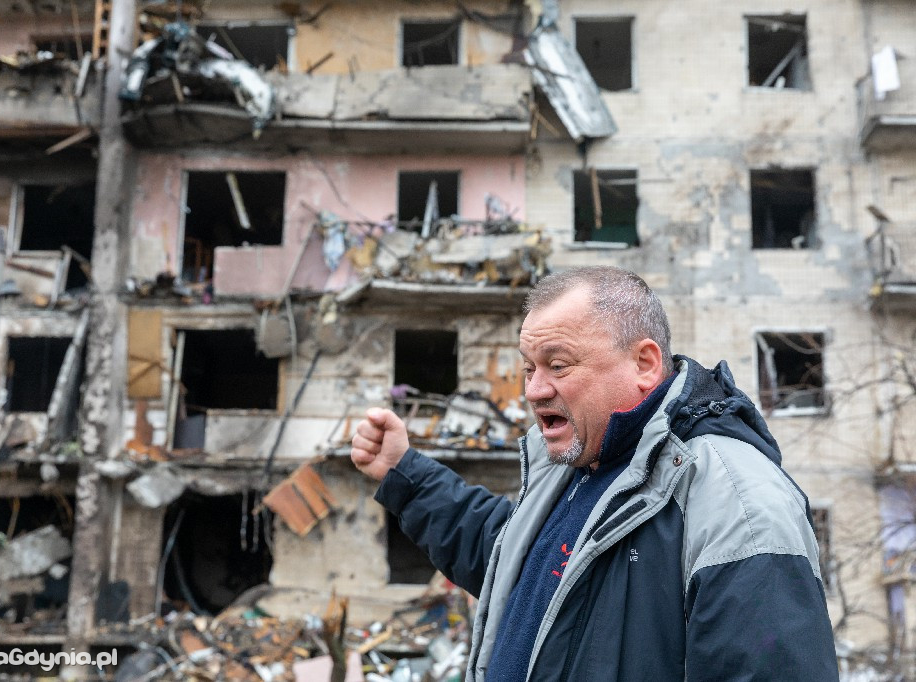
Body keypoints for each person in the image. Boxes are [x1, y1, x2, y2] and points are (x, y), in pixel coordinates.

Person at [351, 266, 837, 681]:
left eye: (558, 365)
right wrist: (404, 473)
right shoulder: (582, 462)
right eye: (529, 368)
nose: (534, 390)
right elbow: (512, 561)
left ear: (644, 363)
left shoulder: (736, 500)